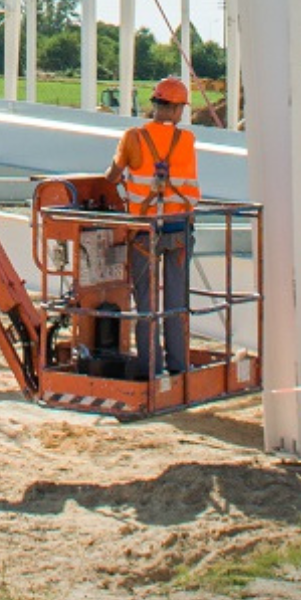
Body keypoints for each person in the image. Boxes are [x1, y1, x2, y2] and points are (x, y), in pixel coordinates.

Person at [112, 76, 200, 377]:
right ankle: (178, 367)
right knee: (176, 303)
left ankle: (151, 367)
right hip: (177, 229)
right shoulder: (187, 141)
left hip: (143, 230)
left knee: (147, 304)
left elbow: (112, 176)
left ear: (155, 104)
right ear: (177, 110)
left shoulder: (133, 137)